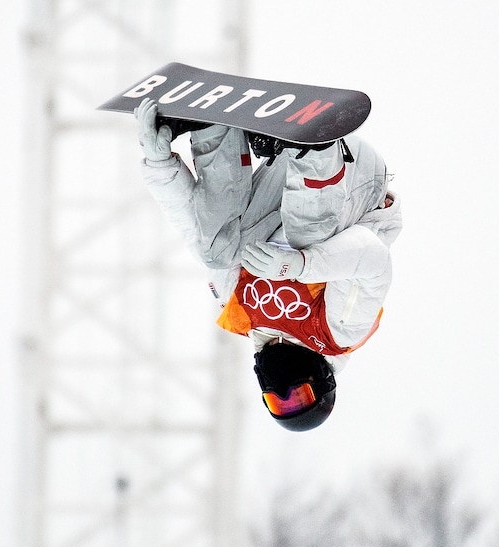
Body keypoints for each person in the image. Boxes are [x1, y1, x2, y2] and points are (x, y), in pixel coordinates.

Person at [135, 98, 402, 431]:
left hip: (284, 173)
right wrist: (300, 265)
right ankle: (315, 150)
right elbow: (373, 258)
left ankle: (214, 132)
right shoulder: (338, 332)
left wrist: (158, 165)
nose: (282, 389)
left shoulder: (241, 311)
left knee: (216, 250)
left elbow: (192, 228)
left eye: (276, 401)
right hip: (352, 180)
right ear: (320, 382)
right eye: (298, 396)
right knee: (308, 238)